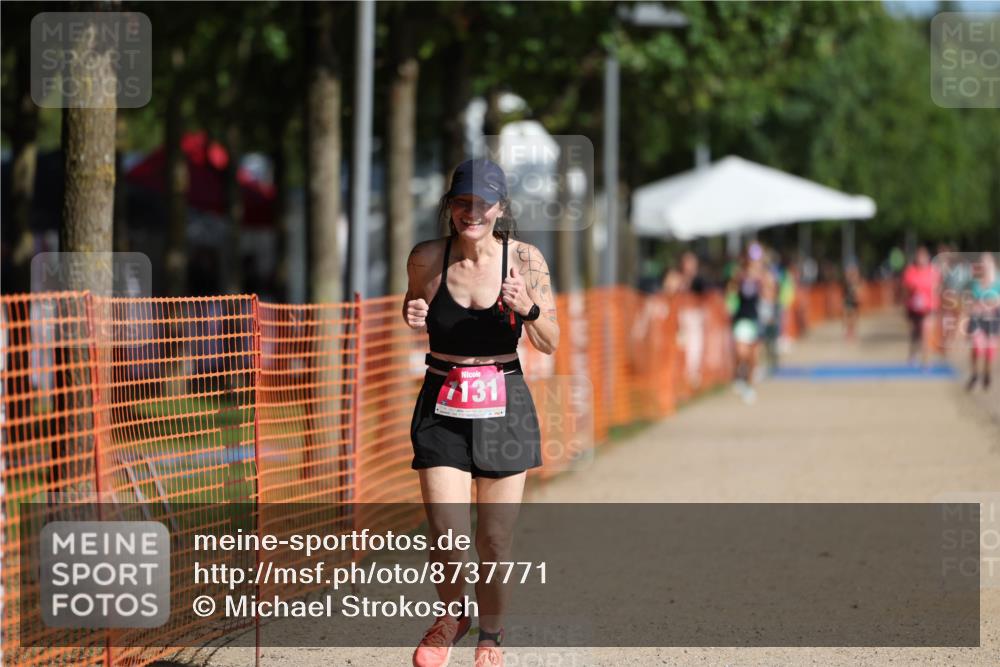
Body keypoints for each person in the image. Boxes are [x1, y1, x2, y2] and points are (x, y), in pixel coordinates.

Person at [403, 158, 559, 667]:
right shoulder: (427, 258)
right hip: (442, 397)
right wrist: (413, 311)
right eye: (462, 202)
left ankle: (491, 633)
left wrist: (528, 307)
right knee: (447, 531)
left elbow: (551, 342)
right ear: (450, 207)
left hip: (505, 402)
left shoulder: (526, 261)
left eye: (483, 203)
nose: (473, 212)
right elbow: (414, 305)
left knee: (493, 538)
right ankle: (453, 616)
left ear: (501, 208)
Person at [726, 242, 774, 404]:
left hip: (757, 319)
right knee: (742, 353)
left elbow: (770, 293)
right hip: (742, 318)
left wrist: (763, 282)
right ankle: (739, 374)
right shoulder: (739, 275)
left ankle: (749, 386)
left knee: (754, 356)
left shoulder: (764, 276)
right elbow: (730, 292)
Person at [901, 246, 941, 367]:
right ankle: (912, 354)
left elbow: (938, 288)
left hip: (929, 308)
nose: (921, 259)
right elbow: (906, 289)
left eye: (923, 256)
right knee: (915, 334)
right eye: (919, 256)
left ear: (928, 258)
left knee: (926, 332)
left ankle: (926, 361)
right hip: (914, 308)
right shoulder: (910, 271)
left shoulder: (933, 271)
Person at [965, 252, 1000, 391]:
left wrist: (990, 303)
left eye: (987, 262)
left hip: (993, 319)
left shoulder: (998, 281)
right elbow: (970, 301)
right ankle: (975, 374)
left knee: (989, 351)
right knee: (977, 347)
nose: (985, 265)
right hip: (977, 319)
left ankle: (987, 374)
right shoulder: (975, 282)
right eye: (982, 262)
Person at [842, 262, 863, 341]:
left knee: (853, 317)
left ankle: (852, 331)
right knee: (848, 317)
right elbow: (844, 293)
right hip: (848, 301)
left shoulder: (856, 282)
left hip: (854, 301)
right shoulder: (847, 282)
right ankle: (848, 331)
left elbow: (859, 291)